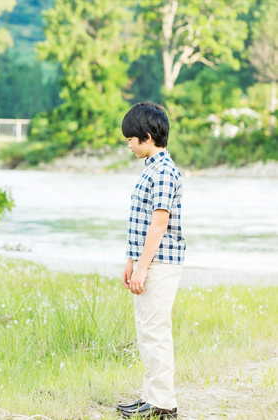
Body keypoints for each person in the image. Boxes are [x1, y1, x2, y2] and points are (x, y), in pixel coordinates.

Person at [117, 102, 186, 419]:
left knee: (155, 330)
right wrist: (132, 261)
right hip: (147, 261)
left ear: (146, 136)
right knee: (146, 330)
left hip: (159, 263)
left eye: (131, 138)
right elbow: (140, 221)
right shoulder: (152, 169)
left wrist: (143, 267)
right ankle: (151, 395)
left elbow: (159, 223)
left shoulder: (164, 172)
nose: (128, 144)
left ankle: (163, 404)